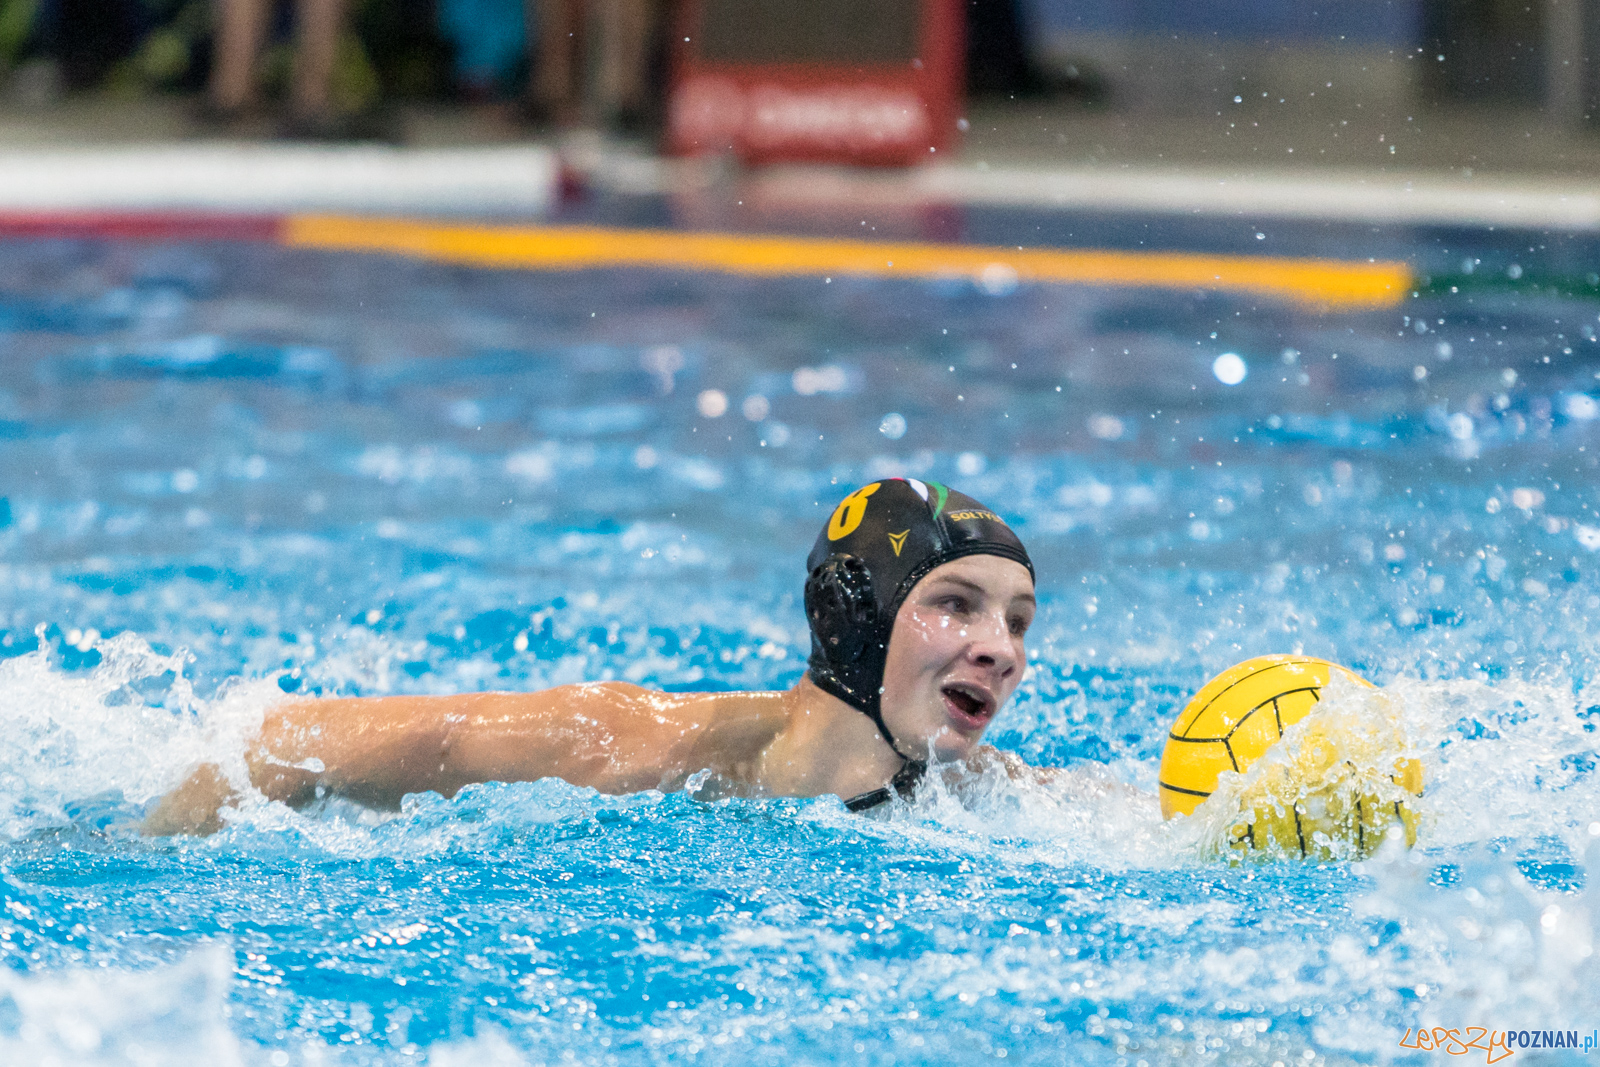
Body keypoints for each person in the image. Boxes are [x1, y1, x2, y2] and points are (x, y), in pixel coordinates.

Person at [144, 479, 1061, 835]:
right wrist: (140, 863)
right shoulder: (626, 743)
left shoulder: (980, 796)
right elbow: (277, 743)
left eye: (1017, 621)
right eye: (955, 603)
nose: (1001, 649)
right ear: (854, 617)